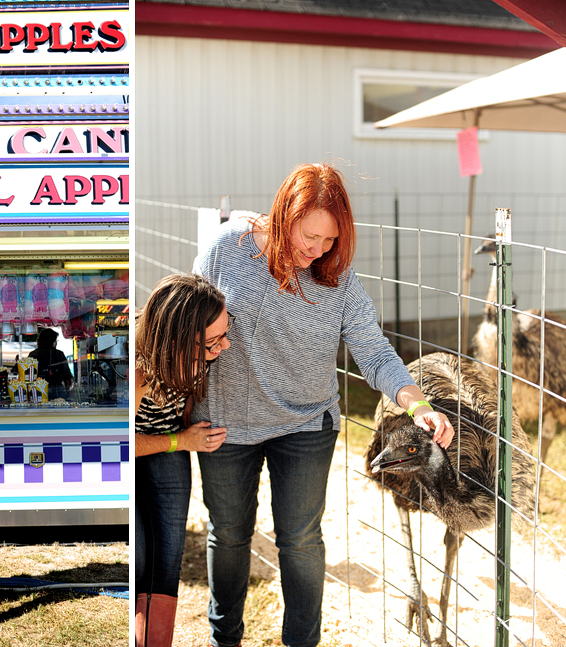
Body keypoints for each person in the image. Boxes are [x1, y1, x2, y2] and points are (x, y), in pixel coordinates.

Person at [192, 163, 454, 647]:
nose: (316, 249)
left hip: (306, 424)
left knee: (300, 541)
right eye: (308, 235)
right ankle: (223, 639)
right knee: (228, 534)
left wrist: (419, 406)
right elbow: (189, 321)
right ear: (282, 214)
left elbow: (374, 352)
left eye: (329, 240)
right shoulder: (226, 248)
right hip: (227, 423)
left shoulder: (338, 280)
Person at [134, 273, 230, 647]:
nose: (223, 346)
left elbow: (186, 408)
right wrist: (180, 440)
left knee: (168, 554)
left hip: (170, 446)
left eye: (225, 332)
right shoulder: (140, 370)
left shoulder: (196, 354)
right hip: (150, 446)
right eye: (212, 342)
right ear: (176, 339)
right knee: (140, 557)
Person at [29, 327, 73, 400]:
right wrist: (68, 393)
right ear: (53, 341)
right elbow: (67, 378)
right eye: (56, 340)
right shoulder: (59, 354)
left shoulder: (33, 355)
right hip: (57, 392)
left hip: (37, 393)